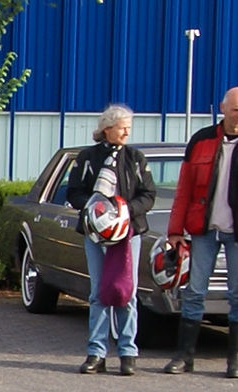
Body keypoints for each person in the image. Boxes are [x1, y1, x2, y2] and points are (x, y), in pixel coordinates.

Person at [66, 103, 156, 376]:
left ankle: (128, 352)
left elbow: (148, 194)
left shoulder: (136, 158)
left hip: (129, 234)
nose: (127, 132)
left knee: (126, 292)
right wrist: (95, 209)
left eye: (129, 127)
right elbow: (74, 192)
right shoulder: (87, 158)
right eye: (122, 127)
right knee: (98, 293)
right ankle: (96, 353)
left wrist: (125, 211)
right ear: (107, 129)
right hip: (95, 233)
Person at [162, 87, 238, 376]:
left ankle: (234, 360)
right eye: (235, 110)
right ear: (223, 108)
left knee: (237, 295)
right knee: (194, 292)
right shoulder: (201, 140)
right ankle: (184, 356)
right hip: (204, 230)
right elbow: (184, 190)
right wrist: (174, 231)